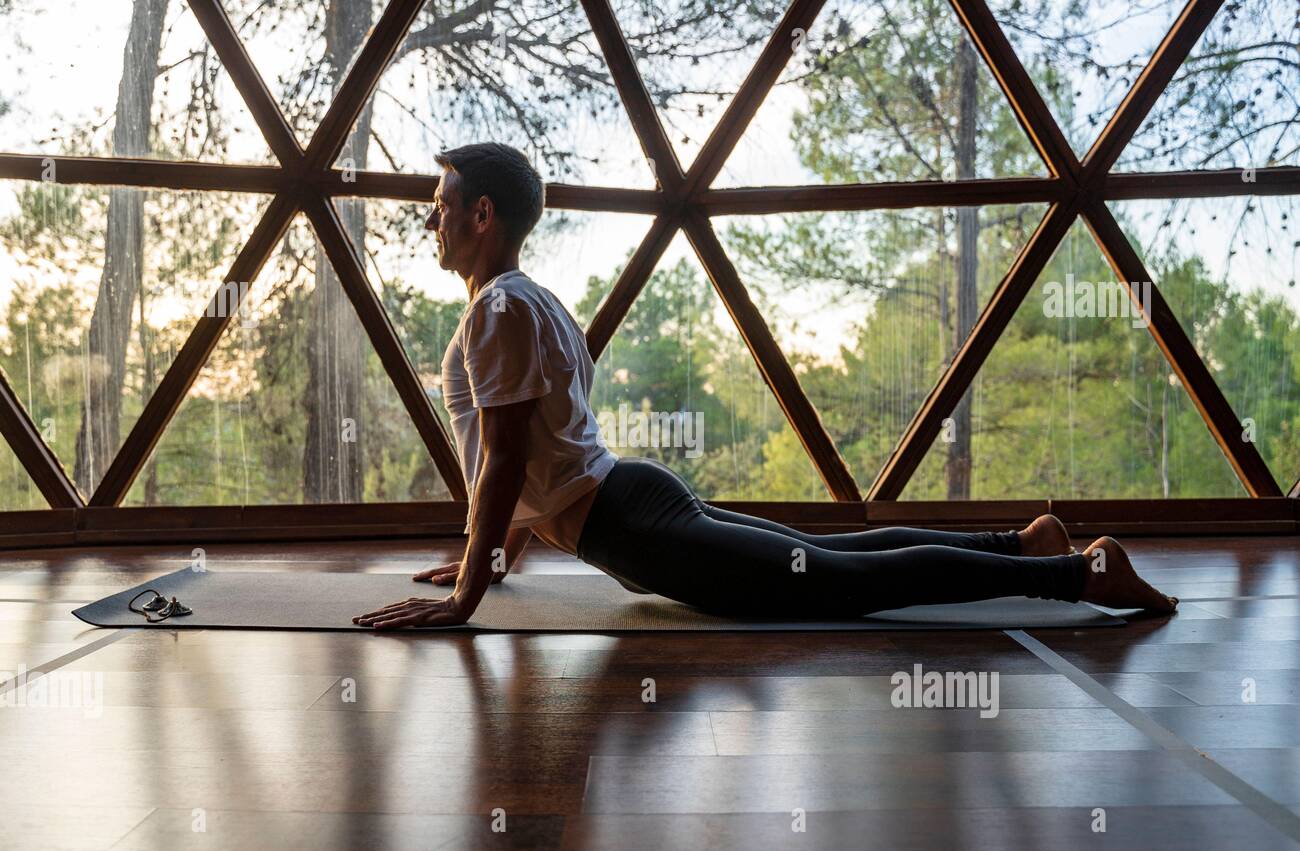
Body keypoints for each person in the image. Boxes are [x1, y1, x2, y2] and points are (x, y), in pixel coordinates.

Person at [353, 143, 1177, 630]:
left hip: (633, 524)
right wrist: (490, 558)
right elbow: (540, 460)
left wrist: (467, 594)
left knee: (840, 584)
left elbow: (503, 462)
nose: (433, 223)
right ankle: (1025, 545)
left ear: (483, 215)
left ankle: (1081, 574)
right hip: (628, 509)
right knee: (830, 557)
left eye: (440, 207)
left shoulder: (498, 310)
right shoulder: (523, 302)